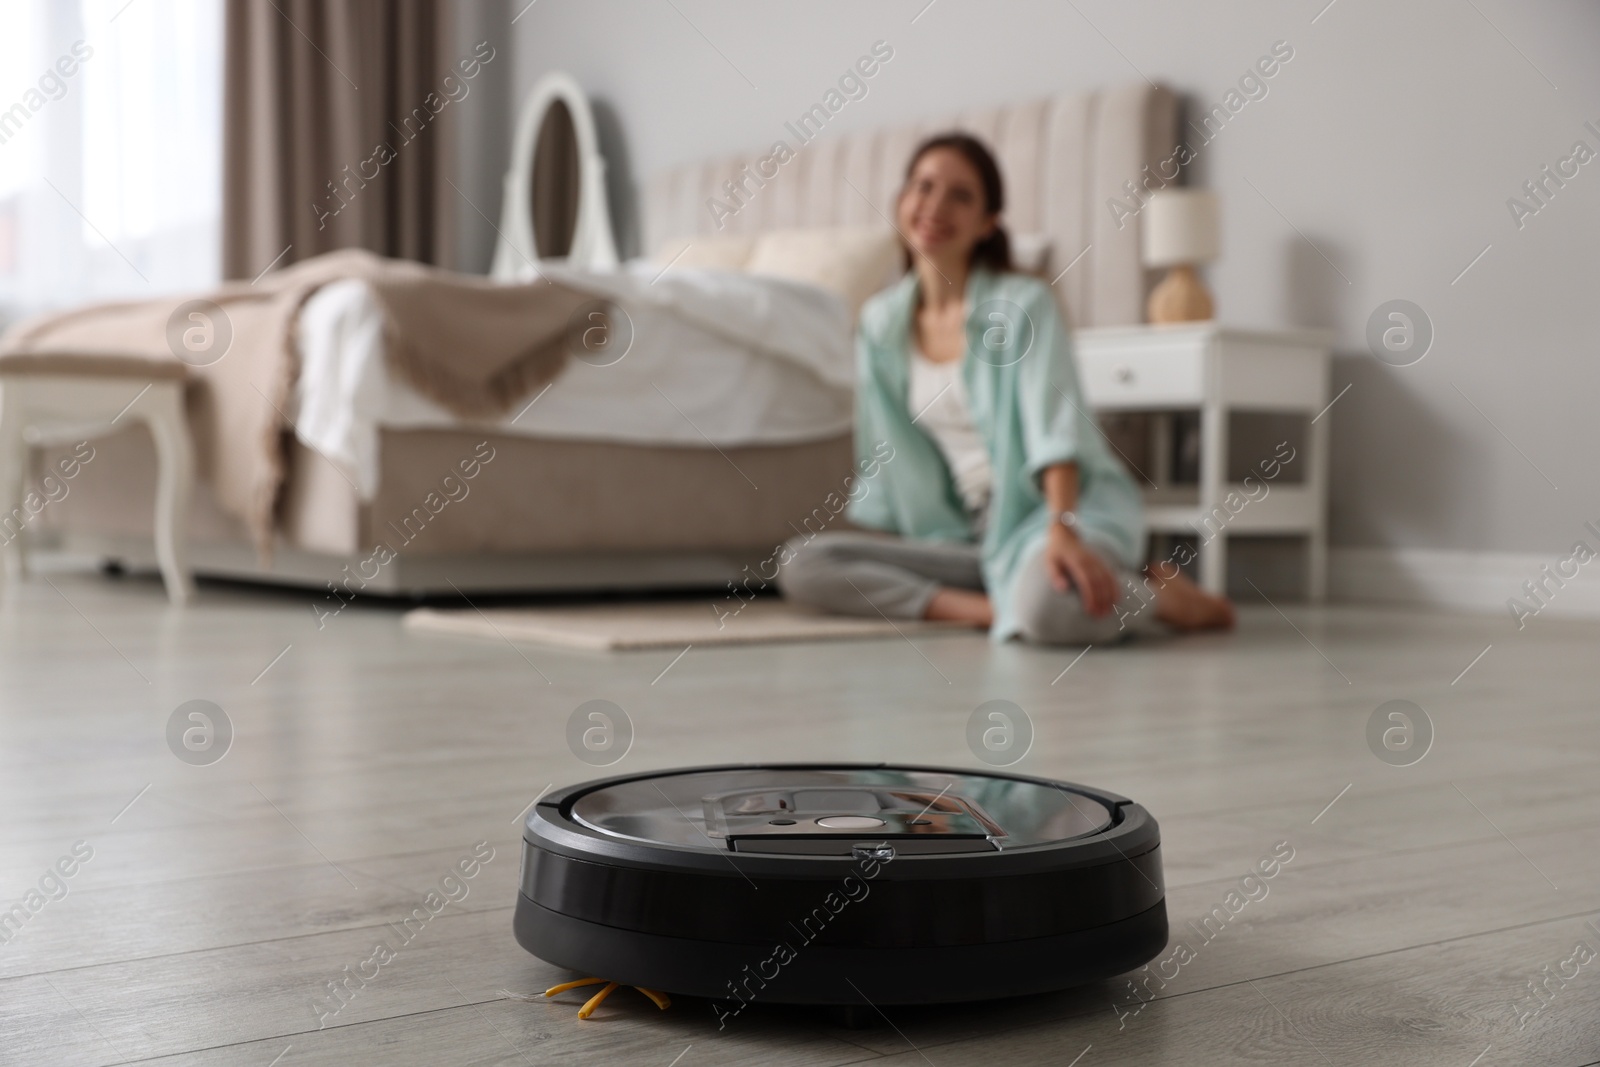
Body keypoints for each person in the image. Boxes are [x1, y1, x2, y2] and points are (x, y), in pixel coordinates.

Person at [776, 133, 1235, 644]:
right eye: (923, 187)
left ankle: (1166, 603)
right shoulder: (881, 324)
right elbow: (893, 453)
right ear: (901, 200)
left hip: (1056, 514)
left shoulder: (1024, 304)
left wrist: (1063, 530)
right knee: (803, 563)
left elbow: (1056, 428)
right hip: (968, 538)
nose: (935, 206)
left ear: (988, 222)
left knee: (1050, 612)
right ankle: (992, 609)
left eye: (961, 196)